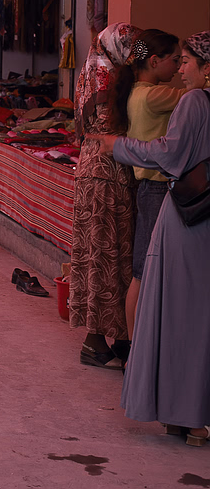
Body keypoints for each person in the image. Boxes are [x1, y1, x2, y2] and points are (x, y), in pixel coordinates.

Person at [92, 31, 210, 445]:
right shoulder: (175, 97)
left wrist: (118, 146)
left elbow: (168, 154)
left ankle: (185, 412)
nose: (180, 68)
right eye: (176, 60)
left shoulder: (192, 101)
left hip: (186, 214)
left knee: (177, 312)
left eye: (187, 61)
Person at [70, 22, 141, 370]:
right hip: (111, 172)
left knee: (95, 255)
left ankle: (101, 339)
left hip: (89, 167)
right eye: (134, 49)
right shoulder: (113, 81)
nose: (138, 55)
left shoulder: (90, 72)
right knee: (111, 255)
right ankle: (112, 338)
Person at [107, 29, 184, 340]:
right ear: (154, 61)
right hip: (156, 189)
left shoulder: (137, 92)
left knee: (144, 270)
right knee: (144, 271)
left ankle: (137, 348)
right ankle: (137, 347)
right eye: (177, 60)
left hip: (150, 189)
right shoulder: (155, 96)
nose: (180, 68)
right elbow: (196, 95)